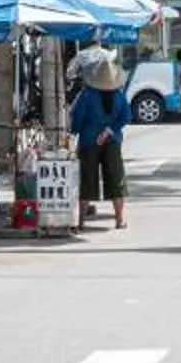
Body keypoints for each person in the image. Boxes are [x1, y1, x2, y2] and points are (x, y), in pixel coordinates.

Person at [69, 48, 134, 229]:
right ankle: (119, 219)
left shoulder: (87, 95)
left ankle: (81, 221)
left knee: (87, 179)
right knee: (116, 178)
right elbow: (126, 116)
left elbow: (77, 119)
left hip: (89, 141)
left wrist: (74, 132)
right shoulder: (119, 95)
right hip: (113, 141)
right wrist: (109, 130)